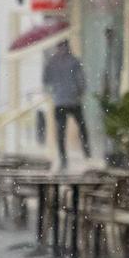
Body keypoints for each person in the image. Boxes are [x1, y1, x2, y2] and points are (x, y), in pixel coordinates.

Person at [43, 41, 91, 170]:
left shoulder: (52, 62)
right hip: (73, 101)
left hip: (60, 101)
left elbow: (46, 81)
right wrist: (79, 92)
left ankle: (64, 158)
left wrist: (55, 90)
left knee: (61, 131)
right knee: (81, 127)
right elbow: (81, 80)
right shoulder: (74, 61)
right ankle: (87, 154)